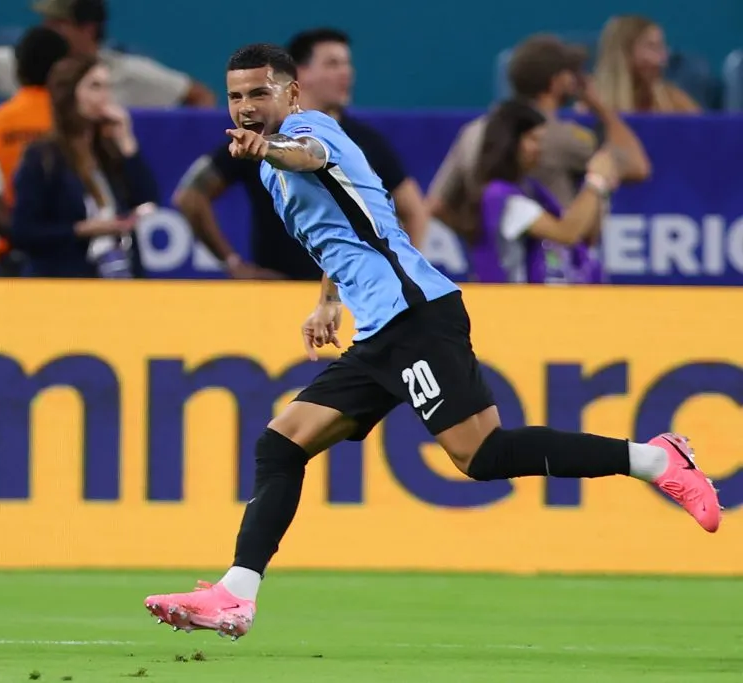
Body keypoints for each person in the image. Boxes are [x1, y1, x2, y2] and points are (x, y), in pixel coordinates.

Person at [143, 43, 721, 641]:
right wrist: (329, 298)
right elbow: (358, 218)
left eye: (258, 93)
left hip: (415, 316)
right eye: (235, 96)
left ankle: (656, 460)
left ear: (291, 93)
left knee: (483, 456)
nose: (244, 107)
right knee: (281, 444)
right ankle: (236, 595)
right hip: (380, 330)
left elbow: (307, 156)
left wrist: (274, 148)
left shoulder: (311, 131)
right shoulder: (271, 163)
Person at [174, 27, 426, 281]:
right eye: (332, 64)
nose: (346, 73)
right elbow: (190, 196)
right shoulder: (257, 134)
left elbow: (414, 210)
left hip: (351, 296)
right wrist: (233, 263)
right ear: (300, 75)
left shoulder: (365, 141)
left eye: (347, 63)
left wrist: (403, 275)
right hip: (277, 294)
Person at [427, 34, 651, 283]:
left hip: (499, 274)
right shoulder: (559, 135)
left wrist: (486, 241)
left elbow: (438, 205)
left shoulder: (473, 130)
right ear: (557, 82)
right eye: (571, 74)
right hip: (552, 274)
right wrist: (599, 106)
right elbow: (637, 165)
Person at [0, 0, 215, 109]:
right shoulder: (33, 63)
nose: (46, 28)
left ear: (86, 29)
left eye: (57, 23)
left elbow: (201, 97)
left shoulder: (130, 73)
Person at [10, 55, 157, 277]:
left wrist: (126, 140)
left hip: (120, 279)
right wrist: (82, 230)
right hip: (65, 283)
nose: (105, 97)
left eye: (108, 87)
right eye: (95, 87)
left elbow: (147, 198)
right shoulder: (43, 157)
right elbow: (23, 232)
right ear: (70, 94)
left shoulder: (109, 153)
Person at [459, 100, 620, 283]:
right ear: (511, 141)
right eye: (532, 139)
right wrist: (595, 180)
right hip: (508, 305)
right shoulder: (499, 197)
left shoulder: (531, 189)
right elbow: (567, 233)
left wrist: (601, 190)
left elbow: (583, 235)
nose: (539, 148)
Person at [0, 27, 70, 277]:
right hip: (75, 255)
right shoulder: (78, 124)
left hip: (16, 261)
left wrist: (29, 236)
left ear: (18, 69)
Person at [590, 15, 701, 114]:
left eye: (661, 47)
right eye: (652, 47)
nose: (662, 60)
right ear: (624, 54)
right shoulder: (591, 105)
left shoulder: (676, 104)